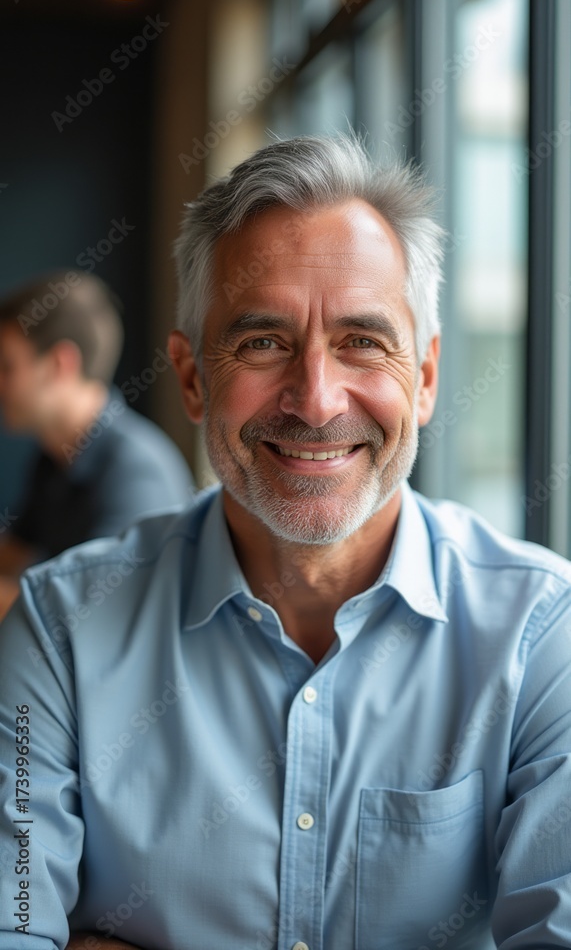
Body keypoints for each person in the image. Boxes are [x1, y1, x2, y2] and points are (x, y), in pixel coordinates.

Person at [0, 136, 570, 950]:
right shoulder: (57, 633)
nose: (314, 398)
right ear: (192, 378)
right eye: (262, 342)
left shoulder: (545, 636)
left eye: (363, 342)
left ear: (429, 377)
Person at [0, 270, 193, 618]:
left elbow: (88, 618)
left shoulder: (137, 474)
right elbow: (13, 552)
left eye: (6, 366)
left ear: (60, 364)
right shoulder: (52, 458)